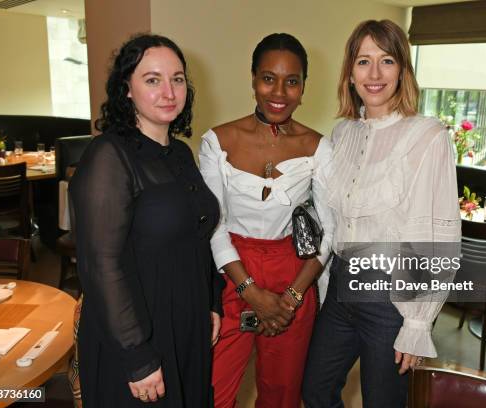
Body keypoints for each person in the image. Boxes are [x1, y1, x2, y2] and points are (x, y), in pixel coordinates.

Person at [301, 20, 461, 407]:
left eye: (386, 61)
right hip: (340, 288)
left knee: (383, 401)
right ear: (350, 73)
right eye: (363, 61)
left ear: (402, 70)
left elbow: (437, 236)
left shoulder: (427, 136)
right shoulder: (341, 135)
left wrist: (417, 321)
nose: (374, 74)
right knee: (315, 391)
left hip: (391, 297)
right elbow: (335, 221)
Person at [70, 34, 224, 407]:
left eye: (177, 78)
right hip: (137, 329)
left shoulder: (181, 154)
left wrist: (211, 301)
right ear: (127, 88)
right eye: (152, 80)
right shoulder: (108, 156)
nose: (169, 92)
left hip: (185, 322)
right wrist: (137, 357)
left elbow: (196, 236)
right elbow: (101, 266)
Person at [199, 33, 334, 408]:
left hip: (295, 273)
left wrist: (291, 297)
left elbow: (329, 229)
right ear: (253, 80)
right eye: (268, 78)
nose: (279, 91)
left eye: (292, 81)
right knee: (213, 389)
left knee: (281, 394)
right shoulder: (217, 141)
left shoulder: (320, 146)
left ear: (304, 87)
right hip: (230, 272)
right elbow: (213, 224)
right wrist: (251, 292)